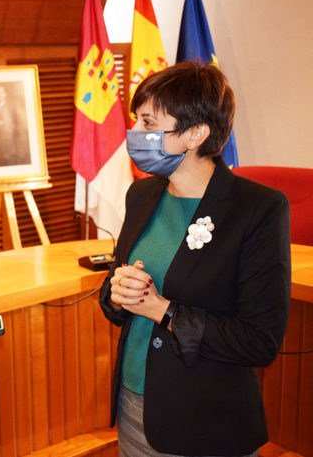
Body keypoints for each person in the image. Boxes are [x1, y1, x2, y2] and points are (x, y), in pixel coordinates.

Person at [99, 61, 291, 456]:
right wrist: (118, 294)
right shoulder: (142, 195)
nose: (135, 133)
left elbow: (259, 342)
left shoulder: (258, 209)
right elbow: (116, 295)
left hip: (207, 420)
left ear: (195, 134)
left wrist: (163, 310)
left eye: (150, 124)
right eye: (136, 120)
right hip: (134, 402)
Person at [0, 85, 26, 166]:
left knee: (12, 172)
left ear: (5, 94)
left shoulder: (12, 107)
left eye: (1, 92)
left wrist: (4, 125)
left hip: (10, 147)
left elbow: (19, 124)